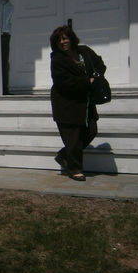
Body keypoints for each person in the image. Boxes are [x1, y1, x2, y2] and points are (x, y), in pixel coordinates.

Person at [49, 25, 106, 182]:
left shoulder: (84, 51)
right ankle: (75, 169)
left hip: (85, 102)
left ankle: (64, 155)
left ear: (71, 38)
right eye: (59, 40)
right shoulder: (57, 59)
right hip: (66, 104)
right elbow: (64, 83)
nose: (63, 42)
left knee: (91, 131)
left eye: (65, 38)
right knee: (73, 138)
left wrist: (97, 76)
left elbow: (99, 64)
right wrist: (88, 81)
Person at [0, 0, 14, 95]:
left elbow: (8, 21)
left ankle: (5, 89)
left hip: (5, 35)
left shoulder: (10, 7)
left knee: (5, 63)